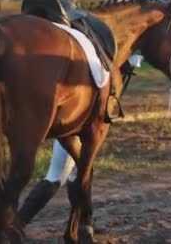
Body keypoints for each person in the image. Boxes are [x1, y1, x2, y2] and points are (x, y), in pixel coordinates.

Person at [17, 53, 144, 227]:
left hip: (75, 116)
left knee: (71, 175)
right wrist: (125, 67)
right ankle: (17, 224)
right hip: (79, 122)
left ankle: (77, 228)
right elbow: (104, 83)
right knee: (63, 176)